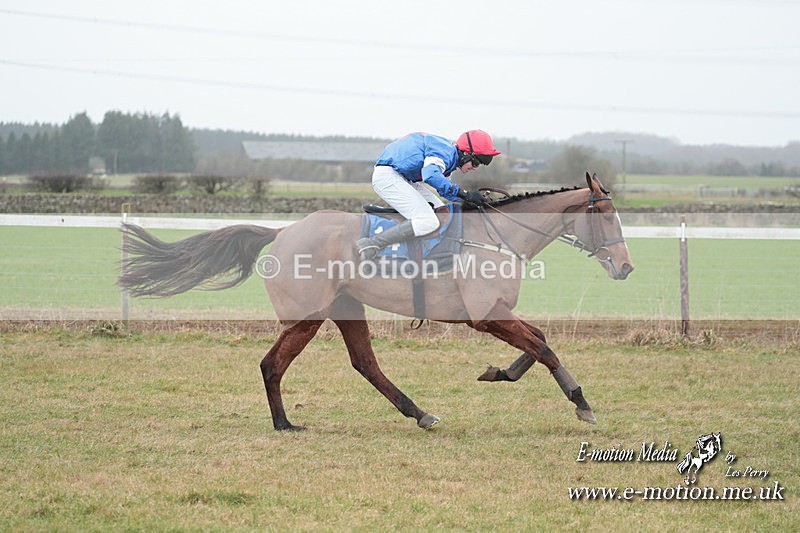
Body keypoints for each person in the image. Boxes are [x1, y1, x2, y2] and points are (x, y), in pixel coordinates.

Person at [356, 129, 501, 261]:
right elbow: (430, 175)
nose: (475, 168)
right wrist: (465, 194)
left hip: (403, 178)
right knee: (429, 221)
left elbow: (445, 189)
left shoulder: (449, 158)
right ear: (465, 153)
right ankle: (371, 244)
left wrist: (469, 201)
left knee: (441, 211)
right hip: (388, 176)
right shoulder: (444, 151)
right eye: (475, 162)